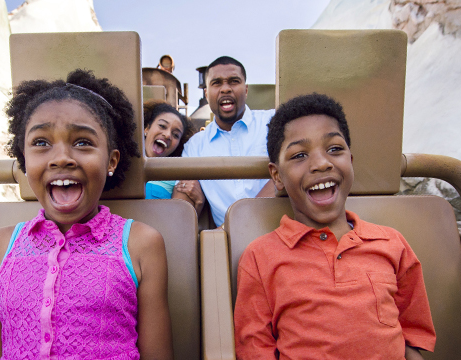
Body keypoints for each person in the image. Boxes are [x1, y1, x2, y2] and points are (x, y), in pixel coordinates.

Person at [0, 69, 173, 360]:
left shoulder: (141, 244)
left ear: (111, 160)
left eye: (82, 142)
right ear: (23, 158)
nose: (61, 158)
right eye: (41, 143)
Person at [234, 94, 436, 359]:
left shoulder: (391, 243)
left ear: (350, 161)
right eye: (299, 155)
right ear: (277, 176)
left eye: (334, 149)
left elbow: (409, 338)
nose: (321, 163)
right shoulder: (259, 257)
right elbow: (255, 349)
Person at [178, 56, 276, 227]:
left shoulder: (273, 121)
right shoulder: (194, 146)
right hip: (227, 244)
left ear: (245, 90)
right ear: (206, 94)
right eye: (216, 83)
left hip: (279, 231)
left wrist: (243, 221)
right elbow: (181, 206)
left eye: (233, 81)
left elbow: (291, 170)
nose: (225, 89)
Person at [142, 100, 194, 201]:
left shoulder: (178, 180)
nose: (167, 135)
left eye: (175, 135)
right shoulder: (119, 165)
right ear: (147, 129)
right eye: (162, 126)